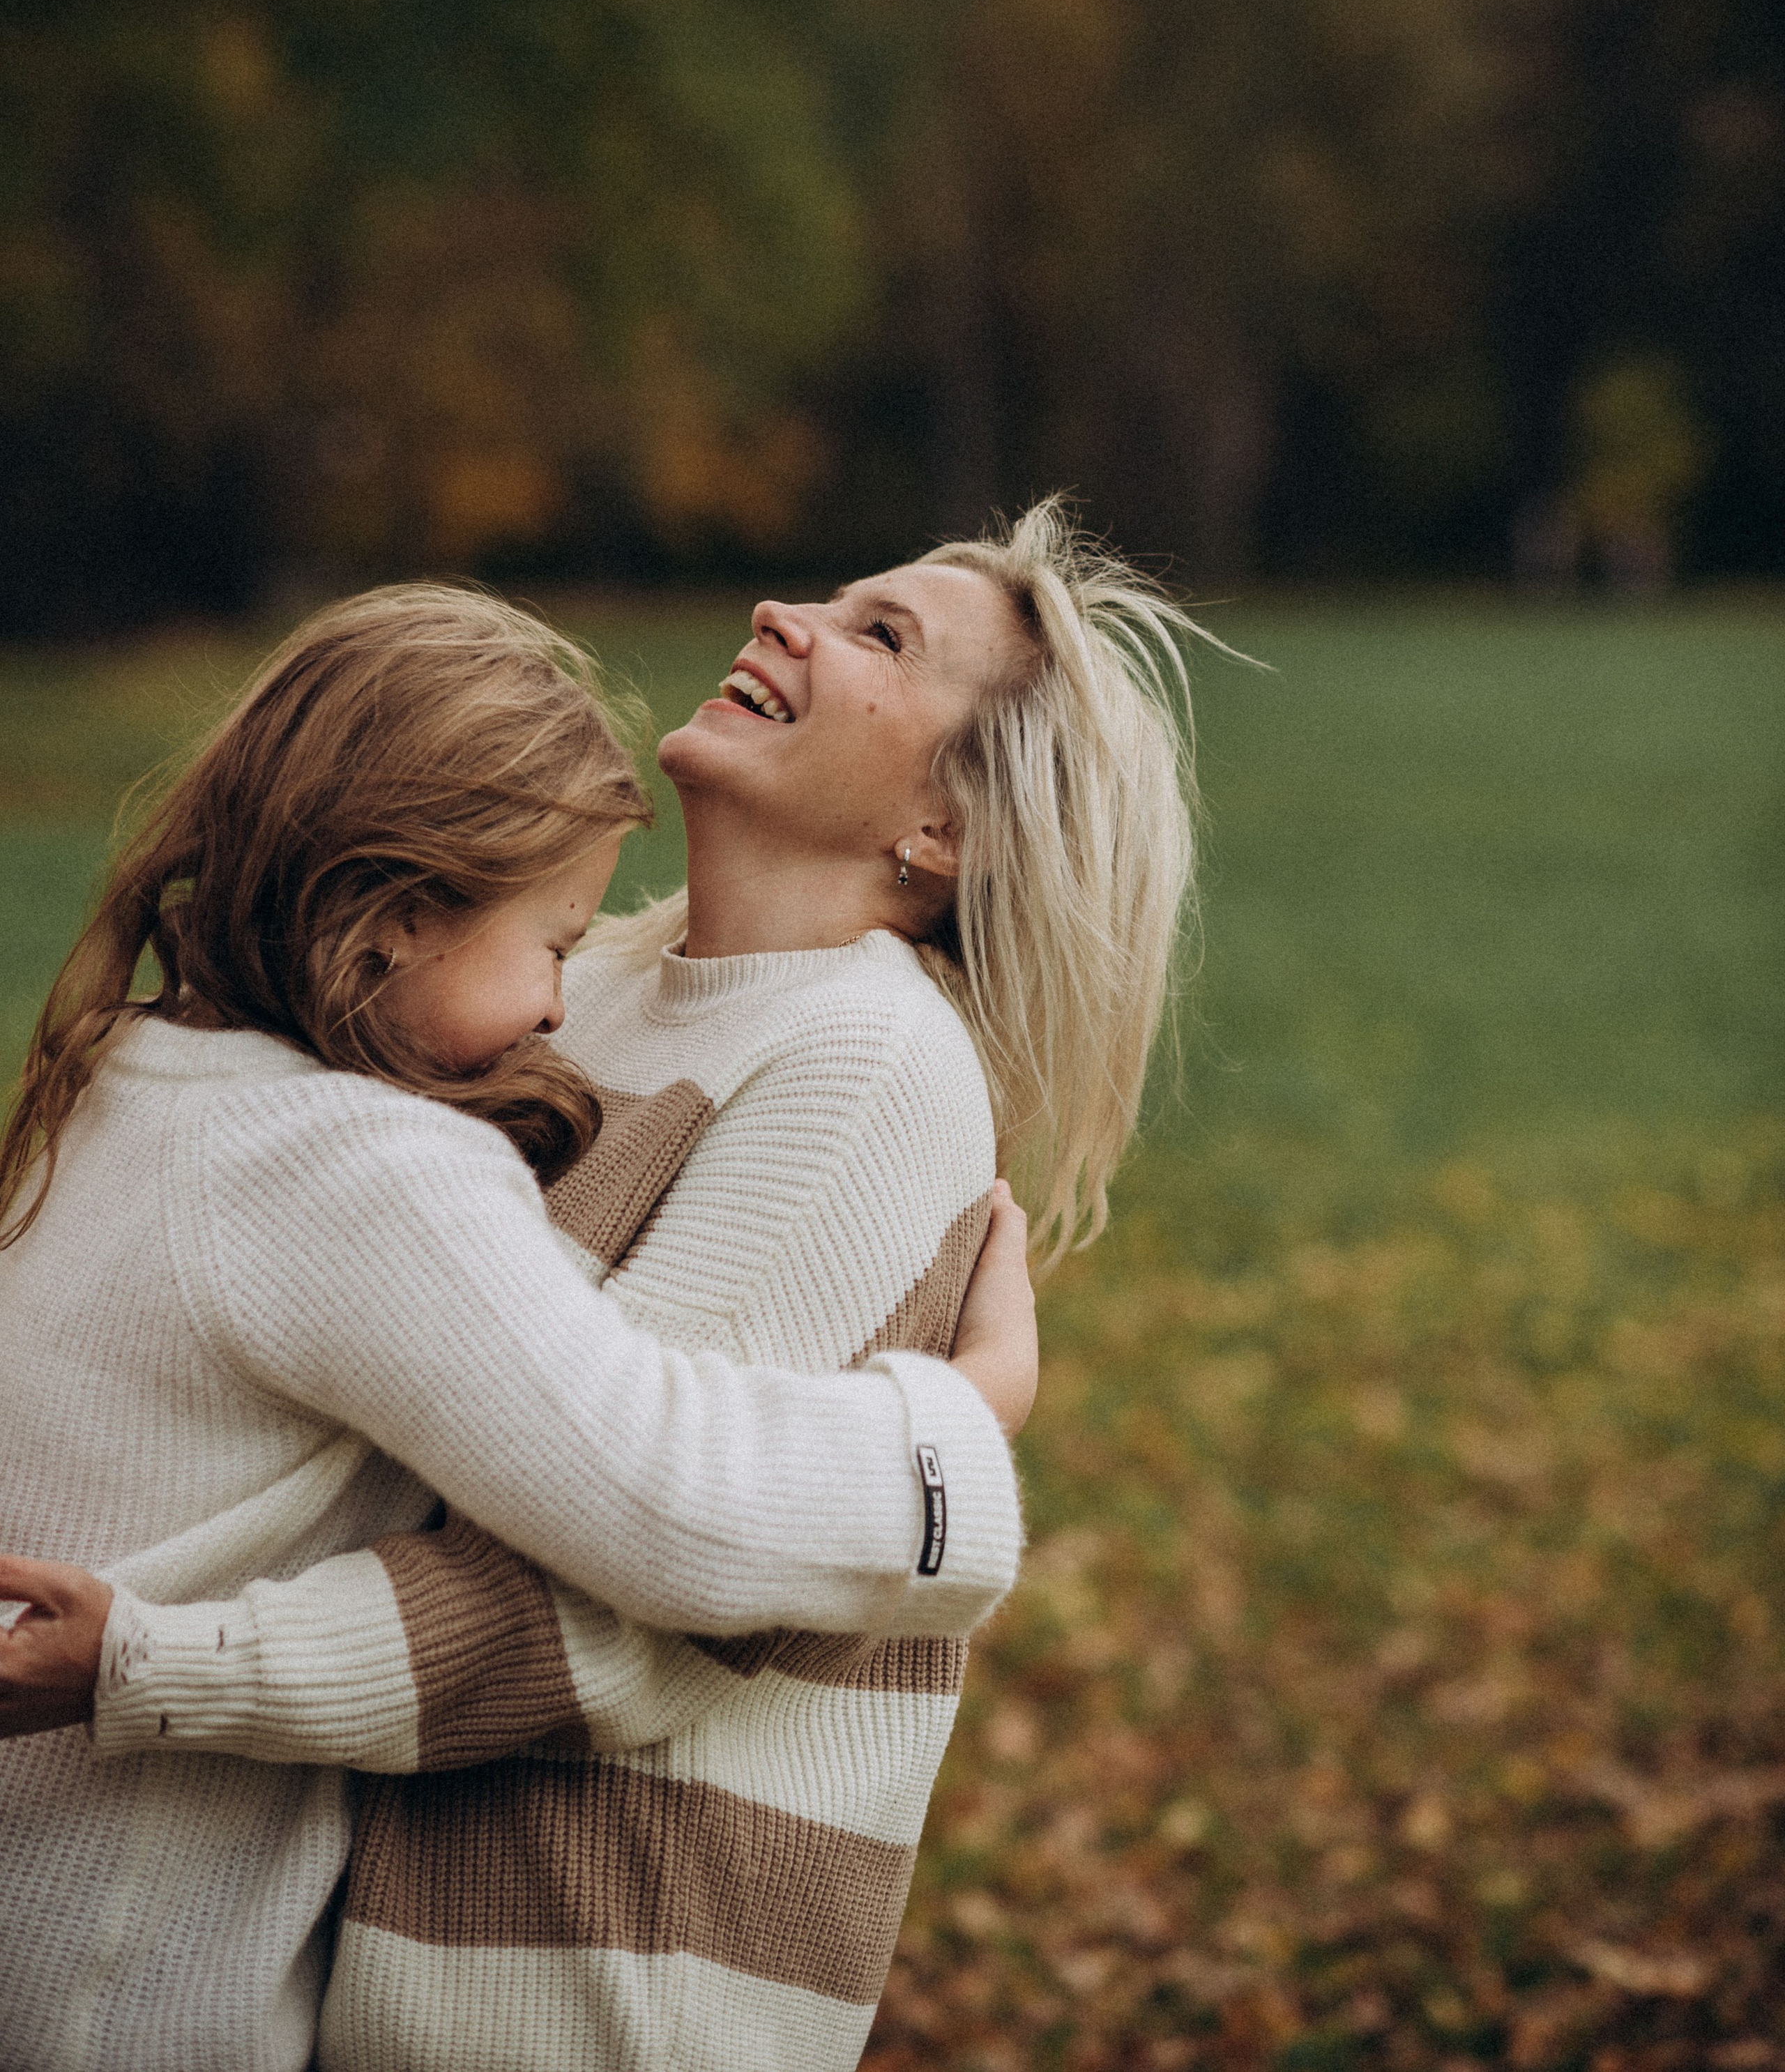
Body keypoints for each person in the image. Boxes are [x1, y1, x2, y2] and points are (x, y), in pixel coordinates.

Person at [3, 503, 1206, 2072]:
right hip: (360, 1945)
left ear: (947, 827)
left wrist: (160, 1663)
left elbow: (635, 1606)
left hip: (574, 1988)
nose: (785, 611)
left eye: (879, 636)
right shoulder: (593, 984)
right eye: (832, 599)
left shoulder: (862, 1061)